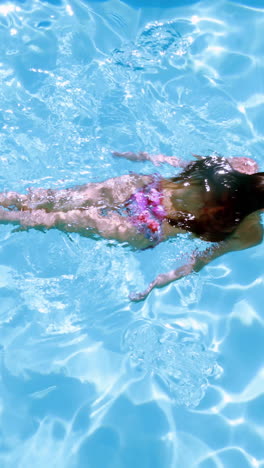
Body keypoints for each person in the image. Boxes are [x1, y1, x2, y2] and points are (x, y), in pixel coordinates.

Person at [0, 152, 263, 301]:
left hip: (142, 188)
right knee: (55, 220)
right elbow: (199, 259)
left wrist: (141, 157)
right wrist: (158, 283)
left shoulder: (238, 166)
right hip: (146, 227)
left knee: (51, 200)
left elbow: (176, 162)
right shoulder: (249, 232)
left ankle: (7, 199)